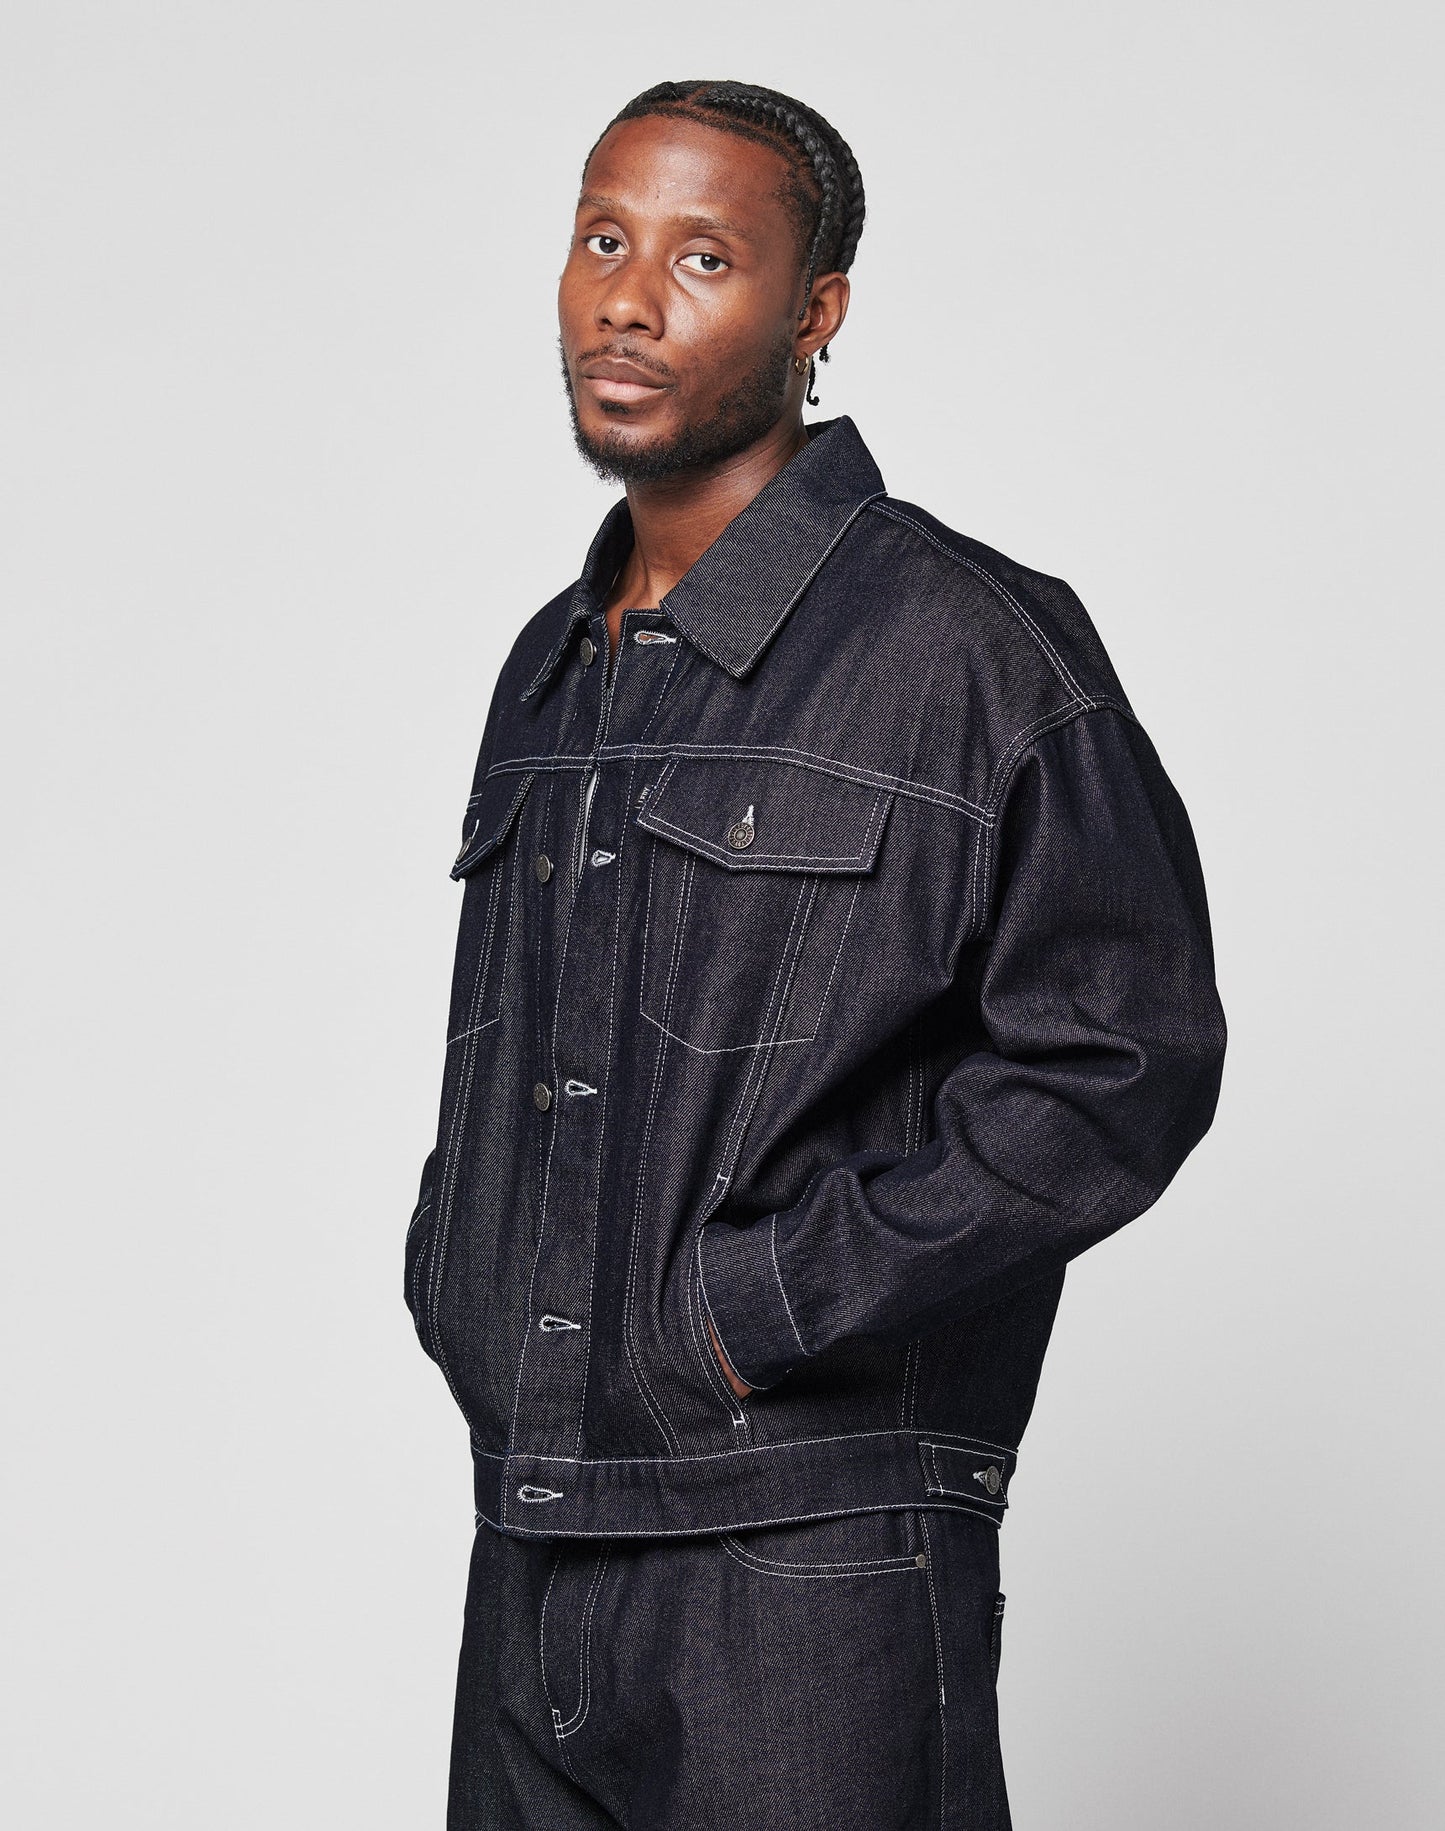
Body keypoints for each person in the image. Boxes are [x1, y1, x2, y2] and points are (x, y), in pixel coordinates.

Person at [403, 78, 1227, 1831]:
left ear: (814, 311)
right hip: (529, 1535)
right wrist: (455, 1274)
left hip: (807, 1555)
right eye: (601, 239)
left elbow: (1122, 1058)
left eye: (703, 257)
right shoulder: (552, 667)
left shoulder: (963, 644)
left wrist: (753, 1309)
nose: (628, 299)